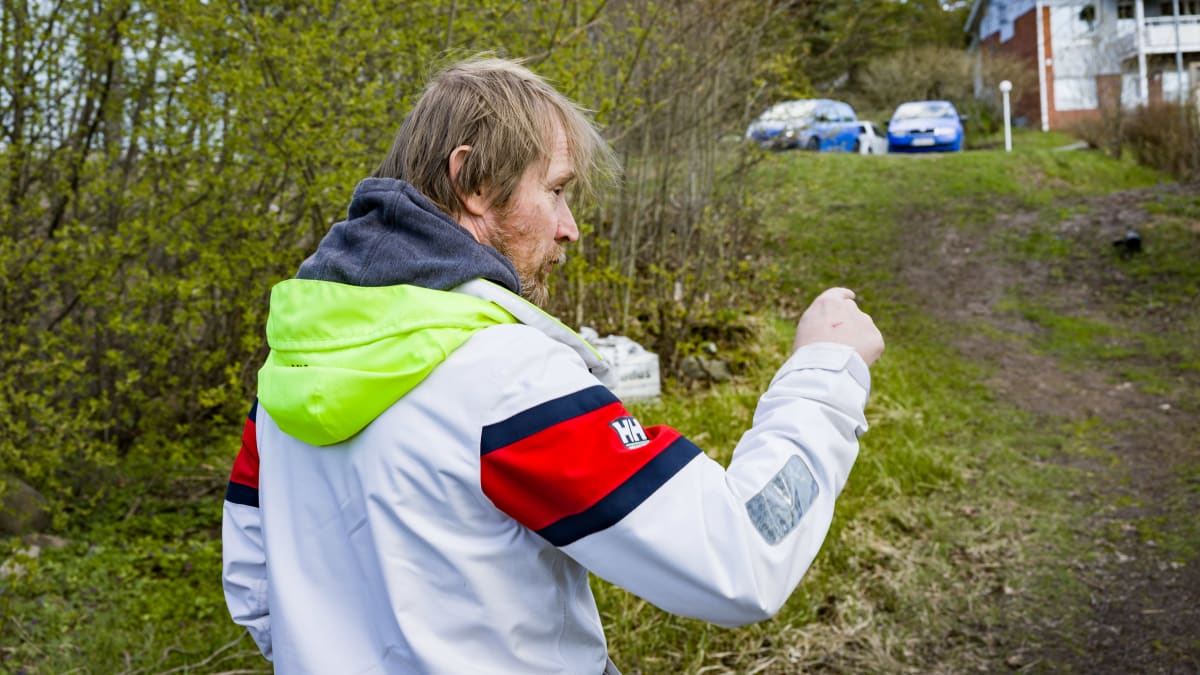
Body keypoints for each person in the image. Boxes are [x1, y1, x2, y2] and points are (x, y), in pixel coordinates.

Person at [222, 57, 884, 675]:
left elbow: (256, 590)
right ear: (475, 182)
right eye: (558, 190)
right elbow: (740, 555)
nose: (570, 227)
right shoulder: (505, 380)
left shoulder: (294, 366)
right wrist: (825, 370)